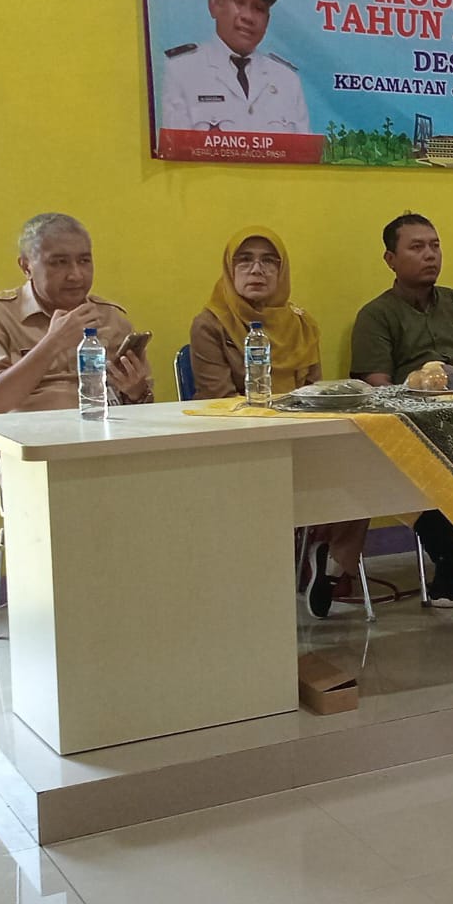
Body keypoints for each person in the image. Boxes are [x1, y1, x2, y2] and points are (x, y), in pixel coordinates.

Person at [190, 226, 370, 617]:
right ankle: (277, 572)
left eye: (269, 261)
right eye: (245, 260)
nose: (257, 269)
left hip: (302, 434)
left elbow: (315, 392)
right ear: (229, 268)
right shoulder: (210, 324)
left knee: (362, 467)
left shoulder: (302, 323)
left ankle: (330, 564)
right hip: (243, 442)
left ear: (282, 270)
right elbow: (219, 400)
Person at [350, 211, 453, 607]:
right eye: (417, 247)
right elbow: (377, 384)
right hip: (414, 422)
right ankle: (452, 553)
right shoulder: (376, 315)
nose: (430, 255)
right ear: (390, 259)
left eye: (435, 246)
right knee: (424, 458)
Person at [0, 213, 153, 415]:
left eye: (84, 260)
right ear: (26, 266)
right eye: (59, 262)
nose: (75, 275)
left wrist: (136, 392)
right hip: (34, 432)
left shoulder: (111, 317)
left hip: (104, 430)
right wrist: (54, 342)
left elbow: (142, 409)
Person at [159, 0, 310, 134]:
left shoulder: (287, 80)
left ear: (267, 20)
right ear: (214, 6)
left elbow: (302, 149)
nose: (248, 17)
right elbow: (174, 146)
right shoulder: (180, 70)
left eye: (259, 8)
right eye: (239, 2)